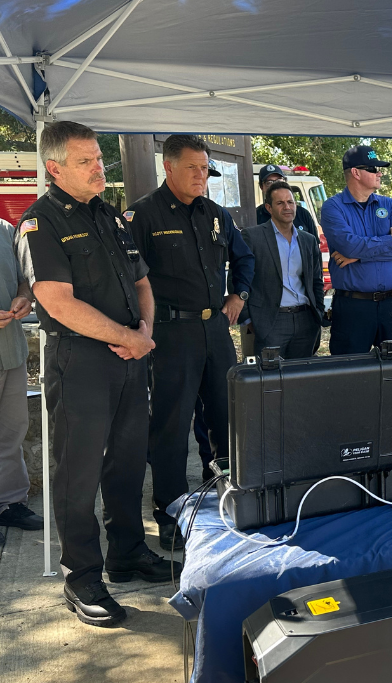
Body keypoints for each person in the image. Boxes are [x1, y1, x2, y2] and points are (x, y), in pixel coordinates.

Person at [16, 121, 179, 627]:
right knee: (77, 474)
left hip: (130, 359)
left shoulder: (109, 216)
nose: (98, 169)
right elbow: (55, 301)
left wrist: (143, 332)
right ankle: (82, 576)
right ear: (55, 167)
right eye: (86, 161)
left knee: (128, 463)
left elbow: (143, 282)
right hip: (81, 363)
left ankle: (127, 551)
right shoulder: (41, 222)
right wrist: (129, 338)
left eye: (100, 160)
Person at [127, 134, 255, 551]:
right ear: (168, 167)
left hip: (215, 330)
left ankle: (225, 495)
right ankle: (169, 512)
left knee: (227, 418)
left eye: (205, 168)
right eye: (193, 168)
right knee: (171, 425)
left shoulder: (215, 213)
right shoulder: (142, 216)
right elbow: (129, 279)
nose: (202, 175)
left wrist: (239, 296)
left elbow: (245, 257)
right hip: (169, 334)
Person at [320, 145, 392, 354]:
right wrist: (389, 240)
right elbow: (348, 246)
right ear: (355, 172)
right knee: (349, 374)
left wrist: (358, 258)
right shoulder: (333, 207)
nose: (379, 173)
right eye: (373, 168)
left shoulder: (390, 205)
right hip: (353, 306)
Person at [242, 180, 326, 359]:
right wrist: (248, 320)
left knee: (302, 379)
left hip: (306, 320)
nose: (287, 207)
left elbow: (316, 281)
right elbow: (239, 278)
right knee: (271, 382)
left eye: (290, 202)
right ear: (269, 208)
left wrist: (317, 312)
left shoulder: (308, 240)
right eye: (280, 203)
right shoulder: (253, 237)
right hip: (271, 321)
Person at [0, 217, 41, 542]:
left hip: (9, 351)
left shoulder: (6, 231)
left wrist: (24, 297)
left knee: (12, 431)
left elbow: (25, 281)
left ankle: (10, 502)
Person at [255, 164, 319, 240]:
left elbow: (315, 247)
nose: (275, 185)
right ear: (262, 187)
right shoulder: (256, 216)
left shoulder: (303, 214)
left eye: (279, 180)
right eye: (269, 182)